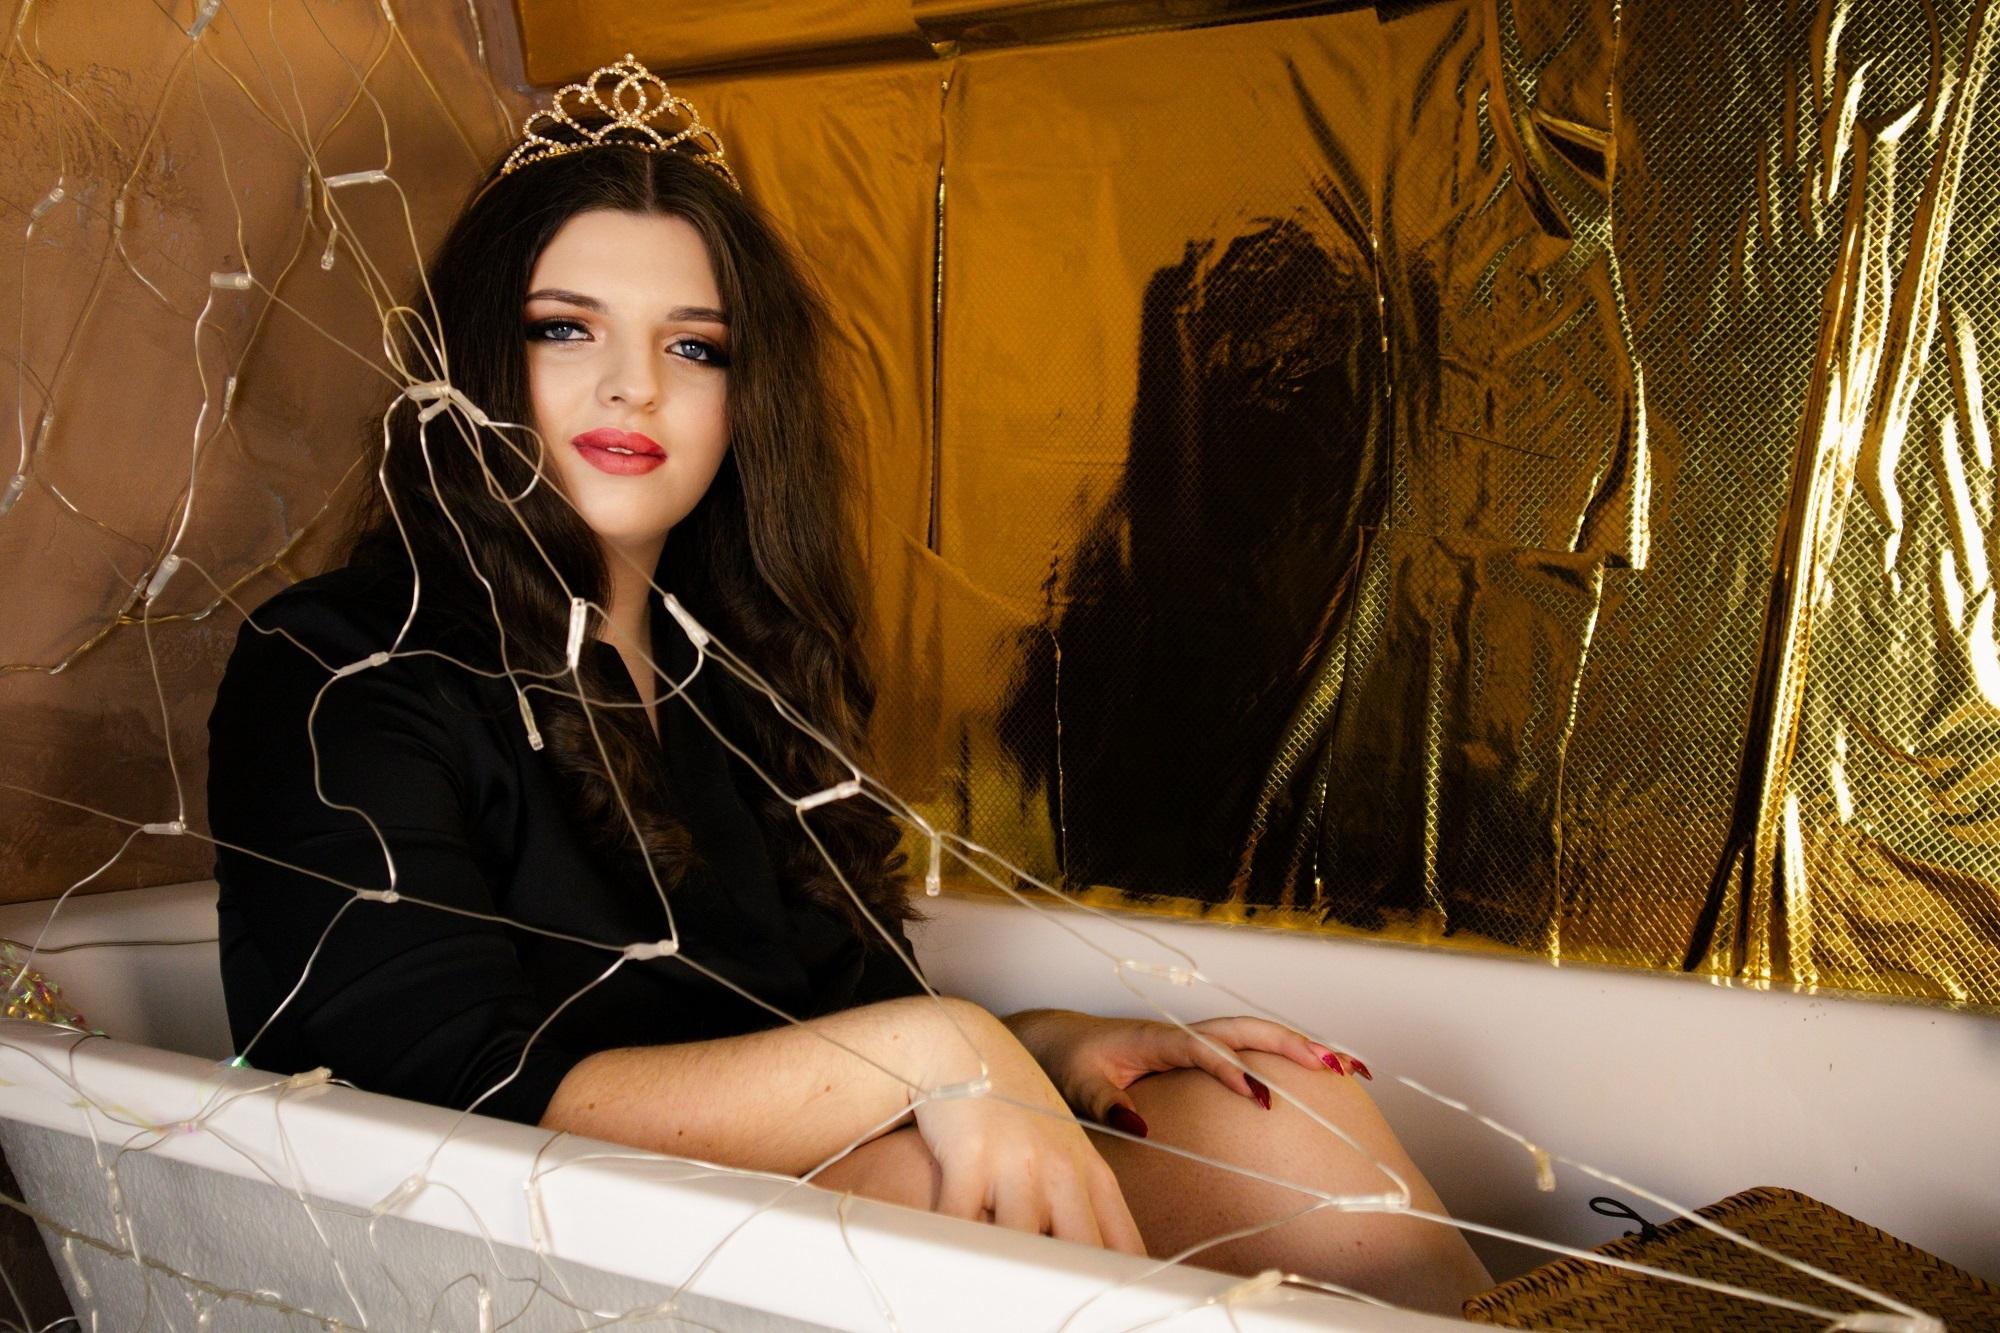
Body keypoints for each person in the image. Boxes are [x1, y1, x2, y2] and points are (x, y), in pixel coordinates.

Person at [207, 57, 1491, 1313]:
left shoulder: (736, 677)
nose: (633, 385)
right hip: (501, 1264)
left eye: (694, 347)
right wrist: (942, 1049)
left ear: (743, 398)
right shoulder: (338, 662)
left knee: (1293, 1122)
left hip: (776, 1217)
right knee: (948, 1191)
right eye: (564, 329)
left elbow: (843, 1015)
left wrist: (1038, 1042)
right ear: (478, 356)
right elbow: (434, 1094)